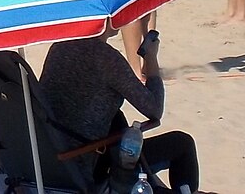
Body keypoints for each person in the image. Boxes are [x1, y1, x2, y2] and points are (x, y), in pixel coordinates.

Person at [39, 28, 200, 194]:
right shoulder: (105, 58)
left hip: (51, 155)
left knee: (116, 119)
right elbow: (154, 109)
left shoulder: (58, 48)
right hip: (86, 161)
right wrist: (151, 58)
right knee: (182, 143)